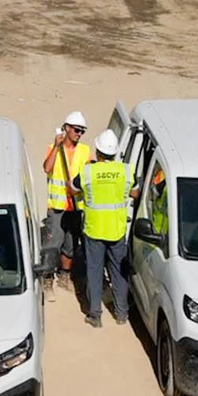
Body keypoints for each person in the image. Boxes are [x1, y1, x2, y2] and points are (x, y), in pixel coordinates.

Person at [74, 129, 139, 328]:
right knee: (119, 273)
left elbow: (72, 188)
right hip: (117, 230)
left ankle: (95, 315)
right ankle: (121, 314)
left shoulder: (88, 171)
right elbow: (135, 193)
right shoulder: (126, 171)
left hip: (94, 230)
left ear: (98, 151)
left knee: (94, 272)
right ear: (114, 153)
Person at [41, 111, 92, 298]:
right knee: (52, 243)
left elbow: (88, 176)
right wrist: (56, 146)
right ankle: (47, 279)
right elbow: (47, 168)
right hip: (57, 207)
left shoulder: (85, 151)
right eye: (77, 130)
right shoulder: (54, 148)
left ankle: (64, 276)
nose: (79, 134)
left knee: (70, 246)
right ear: (67, 128)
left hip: (75, 207)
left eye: (82, 131)